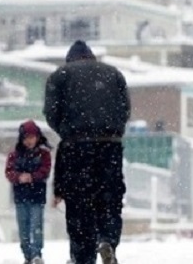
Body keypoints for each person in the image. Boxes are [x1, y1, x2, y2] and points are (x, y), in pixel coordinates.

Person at [43, 41, 131, 264]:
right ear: (91, 57)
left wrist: (68, 131)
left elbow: (51, 112)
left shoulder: (60, 76)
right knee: (110, 198)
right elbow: (125, 109)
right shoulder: (113, 74)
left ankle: (83, 256)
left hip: (76, 146)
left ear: (70, 59)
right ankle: (107, 239)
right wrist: (111, 131)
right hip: (109, 145)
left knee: (79, 204)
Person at [4, 119, 52, 264]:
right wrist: (19, 177)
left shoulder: (44, 154)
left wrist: (32, 177)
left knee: (36, 226)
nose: (30, 141)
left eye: (32, 137)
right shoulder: (14, 155)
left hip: (37, 197)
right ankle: (27, 254)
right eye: (27, 138)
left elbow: (45, 170)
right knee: (23, 228)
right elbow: (9, 172)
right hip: (20, 198)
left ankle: (36, 253)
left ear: (37, 138)